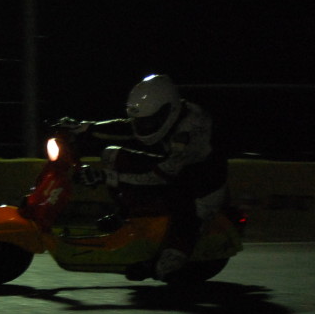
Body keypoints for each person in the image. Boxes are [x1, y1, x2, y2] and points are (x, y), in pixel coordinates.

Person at [59, 74, 228, 282]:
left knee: (169, 255)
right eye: (142, 122)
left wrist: (106, 177)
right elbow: (129, 127)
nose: (144, 127)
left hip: (202, 186)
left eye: (150, 122)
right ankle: (125, 214)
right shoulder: (167, 114)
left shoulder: (191, 132)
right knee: (112, 155)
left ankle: (173, 257)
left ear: (169, 111)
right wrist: (86, 127)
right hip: (173, 170)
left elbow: (158, 177)